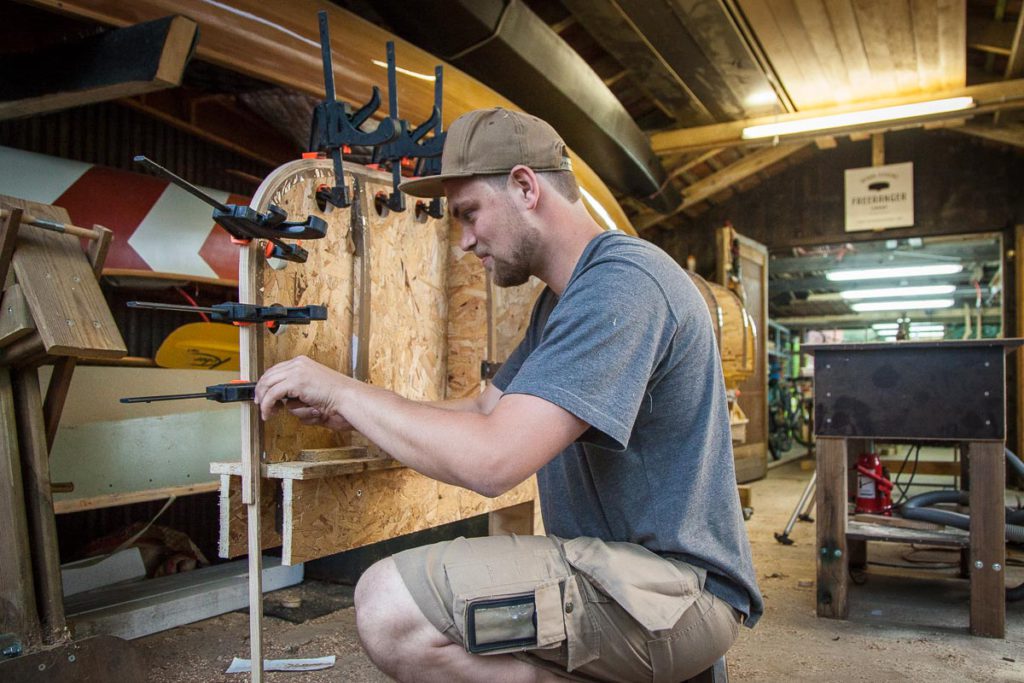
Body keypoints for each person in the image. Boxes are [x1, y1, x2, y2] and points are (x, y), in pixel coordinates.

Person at [254, 107, 762, 682]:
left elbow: (494, 459)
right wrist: (355, 412)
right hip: (631, 581)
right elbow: (484, 409)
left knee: (391, 607)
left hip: (674, 593)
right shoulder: (564, 298)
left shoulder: (623, 286)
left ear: (525, 187)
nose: (467, 241)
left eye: (470, 215)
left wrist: (344, 391)